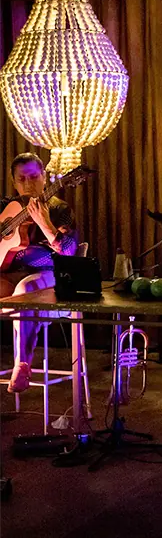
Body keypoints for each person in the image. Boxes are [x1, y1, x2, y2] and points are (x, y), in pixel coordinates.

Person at [0, 153, 78, 393]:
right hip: (8, 274)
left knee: (24, 291)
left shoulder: (59, 209)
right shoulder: (7, 207)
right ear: (14, 182)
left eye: (34, 176)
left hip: (48, 275)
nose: (28, 184)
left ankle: (22, 363)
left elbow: (69, 252)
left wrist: (45, 223)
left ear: (44, 177)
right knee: (16, 290)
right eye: (21, 179)